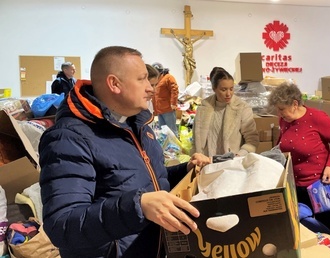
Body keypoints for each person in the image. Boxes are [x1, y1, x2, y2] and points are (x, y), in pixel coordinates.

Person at [39, 46, 211, 258]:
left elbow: (149, 181)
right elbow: (63, 226)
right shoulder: (68, 138)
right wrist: (138, 206)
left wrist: (187, 170)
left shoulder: (138, 126)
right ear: (114, 84)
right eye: (142, 79)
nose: (151, 89)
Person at [268, 82, 330, 239]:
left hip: (321, 185)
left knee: (328, 231)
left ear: (295, 104)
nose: (279, 112)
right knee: (305, 232)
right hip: (297, 186)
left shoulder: (317, 118)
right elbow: (281, 145)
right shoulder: (284, 120)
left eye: (282, 108)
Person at [192, 67, 259, 157]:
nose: (228, 94)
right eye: (223, 90)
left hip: (232, 164)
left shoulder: (242, 108)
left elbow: (252, 138)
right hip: (207, 163)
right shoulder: (203, 108)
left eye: (231, 89)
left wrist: (239, 155)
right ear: (214, 89)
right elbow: (196, 141)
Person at [151, 62, 179, 137]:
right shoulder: (155, 81)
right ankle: (165, 147)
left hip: (168, 109)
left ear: (161, 72)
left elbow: (174, 90)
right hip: (160, 110)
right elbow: (155, 96)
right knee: (162, 131)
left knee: (171, 130)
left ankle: (175, 147)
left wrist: (173, 103)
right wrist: (154, 110)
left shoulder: (168, 78)